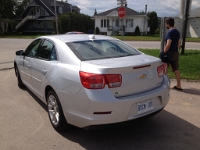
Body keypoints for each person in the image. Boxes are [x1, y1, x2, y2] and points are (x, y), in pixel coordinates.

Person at [164, 17, 182, 90]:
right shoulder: (177, 32)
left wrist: (163, 52)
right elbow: (179, 44)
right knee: (175, 69)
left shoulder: (170, 32)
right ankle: (179, 85)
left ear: (168, 24)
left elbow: (168, 44)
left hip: (169, 53)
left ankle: (163, 85)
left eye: (166, 24)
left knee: (164, 68)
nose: (166, 26)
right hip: (175, 52)